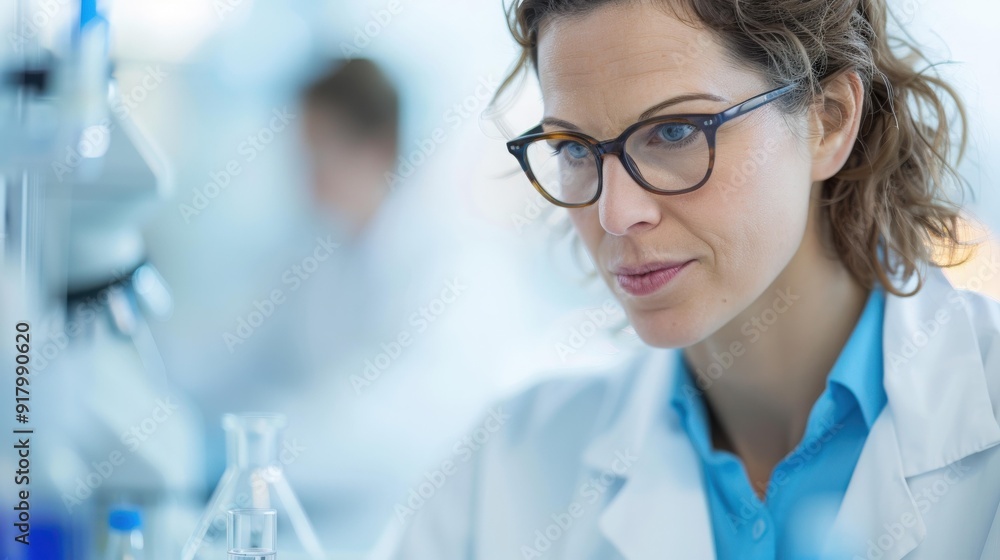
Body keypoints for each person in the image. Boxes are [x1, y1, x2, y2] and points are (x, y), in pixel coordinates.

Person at [382, 0, 1000, 558]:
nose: (616, 214)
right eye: (574, 148)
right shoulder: (509, 467)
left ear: (828, 121)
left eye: (674, 132)